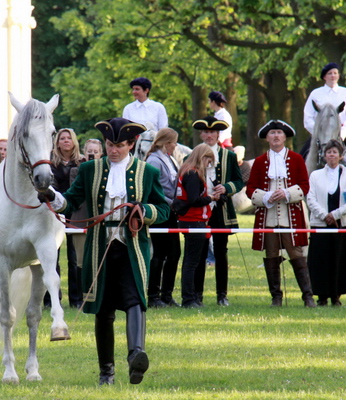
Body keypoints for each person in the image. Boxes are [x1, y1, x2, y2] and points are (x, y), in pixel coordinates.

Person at [41, 117, 169, 385]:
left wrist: (144, 211)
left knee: (135, 301)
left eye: (120, 145)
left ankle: (136, 356)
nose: (113, 150)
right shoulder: (89, 169)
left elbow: (164, 209)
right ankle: (106, 373)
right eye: (110, 144)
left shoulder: (148, 172)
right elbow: (72, 200)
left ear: (131, 144)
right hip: (100, 246)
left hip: (133, 246)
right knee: (104, 308)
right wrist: (53, 196)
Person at [246, 119, 315, 307]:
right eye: (272, 133)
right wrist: (266, 196)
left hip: (290, 216)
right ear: (267, 138)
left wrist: (286, 193)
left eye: (279, 133)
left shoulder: (296, 159)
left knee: (296, 254)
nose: (276, 136)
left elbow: (304, 186)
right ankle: (276, 297)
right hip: (267, 218)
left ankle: (307, 296)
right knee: (271, 255)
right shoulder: (260, 162)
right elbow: (250, 190)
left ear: (285, 137)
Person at [193, 116, 244, 306]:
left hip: (221, 210)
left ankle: (222, 295)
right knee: (200, 252)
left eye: (212, 132)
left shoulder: (229, 156)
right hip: (200, 209)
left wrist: (226, 188)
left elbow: (239, 182)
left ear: (218, 134)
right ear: (201, 134)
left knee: (221, 253)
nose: (209, 135)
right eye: (205, 132)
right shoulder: (194, 154)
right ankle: (197, 295)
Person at [306, 140, 346, 306]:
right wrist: (324, 215)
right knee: (320, 260)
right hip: (320, 224)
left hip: (341, 224)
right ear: (324, 155)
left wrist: (336, 214)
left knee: (339, 260)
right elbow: (310, 198)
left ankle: (336, 296)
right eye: (328, 152)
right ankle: (322, 296)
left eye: (335, 152)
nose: (331, 155)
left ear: (341, 155)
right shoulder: (315, 175)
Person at [175, 144, 218, 308]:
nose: (208, 165)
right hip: (193, 220)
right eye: (208, 161)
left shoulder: (186, 170)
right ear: (203, 157)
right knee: (191, 263)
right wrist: (211, 198)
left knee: (194, 261)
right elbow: (193, 200)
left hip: (192, 220)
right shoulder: (192, 174)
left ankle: (193, 297)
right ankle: (188, 299)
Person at [145, 128, 181, 307]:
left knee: (174, 253)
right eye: (174, 142)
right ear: (166, 142)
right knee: (159, 253)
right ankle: (153, 295)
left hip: (171, 211)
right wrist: (170, 202)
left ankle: (167, 295)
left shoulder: (169, 158)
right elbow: (153, 189)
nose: (175, 145)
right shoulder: (154, 161)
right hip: (161, 211)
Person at [50, 128, 82, 308]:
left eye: (69, 137)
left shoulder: (82, 161)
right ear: (57, 142)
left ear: (74, 141)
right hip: (53, 213)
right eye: (62, 138)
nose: (65, 141)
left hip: (75, 214)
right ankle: (51, 300)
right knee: (51, 258)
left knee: (74, 258)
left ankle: (76, 300)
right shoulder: (50, 163)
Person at [69, 138, 103, 298]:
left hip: (100, 220)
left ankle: (99, 292)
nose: (92, 154)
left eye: (96, 152)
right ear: (84, 152)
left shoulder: (106, 171)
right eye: (89, 151)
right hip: (81, 220)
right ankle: (80, 297)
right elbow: (78, 195)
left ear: (101, 154)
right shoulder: (77, 171)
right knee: (81, 260)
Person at [303, 62, 346, 153]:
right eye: (330, 73)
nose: (333, 75)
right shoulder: (315, 94)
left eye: (335, 73)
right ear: (324, 77)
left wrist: (342, 134)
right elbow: (308, 118)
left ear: (338, 76)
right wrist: (319, 132)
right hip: (320, 134)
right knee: (302, 156)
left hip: (342, 134)